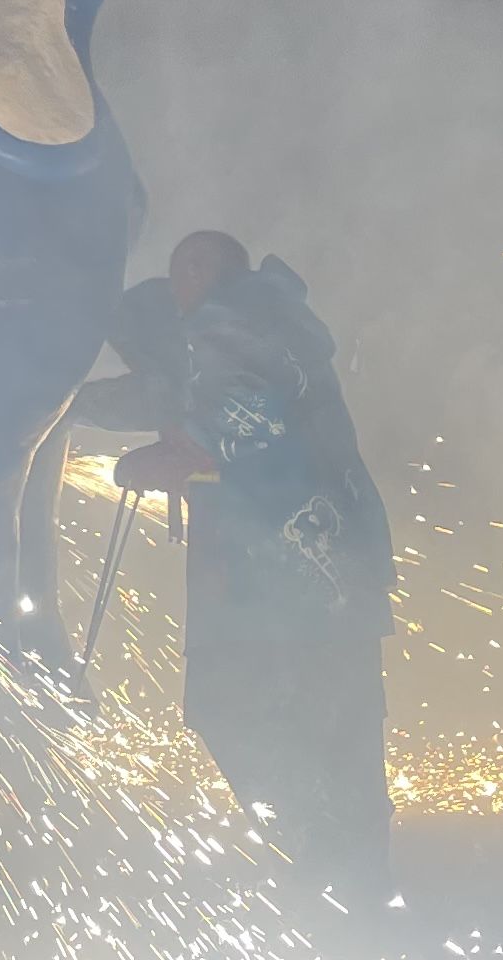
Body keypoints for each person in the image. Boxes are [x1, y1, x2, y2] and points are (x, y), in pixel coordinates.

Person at [112, 231, 395, 900]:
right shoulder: (244, 327)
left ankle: (321, 862)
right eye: (177, 265)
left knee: (240, 707)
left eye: (192, 263)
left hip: (290, 577)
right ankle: (347, 880)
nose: (180, 276)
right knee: (334, 729)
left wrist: (184, 454)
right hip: (318, 576)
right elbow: (187, 400)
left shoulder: (238, 320)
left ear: (216, 271)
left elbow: (249, 411)